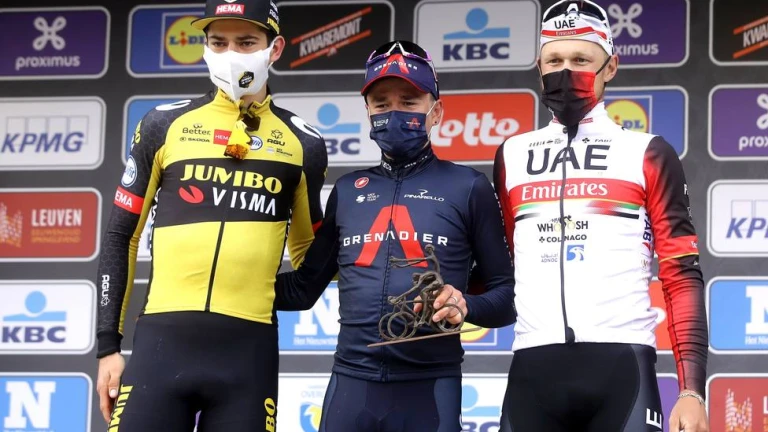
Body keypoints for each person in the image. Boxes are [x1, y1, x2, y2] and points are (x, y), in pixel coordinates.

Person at [94, 0, 328, 430]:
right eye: (218, 43)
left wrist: (257, 287)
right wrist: (108, 346)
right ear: (204, 47)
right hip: (161, 346)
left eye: (246, 42)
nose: (231, 54)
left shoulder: (303, 143)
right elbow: (120, 236)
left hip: (248, 353)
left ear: (274, 49)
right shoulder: (164, 124)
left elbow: (310, 256)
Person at [274, 40, 517, 432]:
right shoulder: (347, 190)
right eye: (381, 103)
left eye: (409, 101)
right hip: (351, 385)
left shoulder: (468, 187)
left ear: (436, 112)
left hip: (429, 389)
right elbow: (303, 290)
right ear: (368, 112)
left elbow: (506, 298)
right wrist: (227, 286)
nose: (394, 112)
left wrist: (466, 305)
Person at [493, 1, 709, 431]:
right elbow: (505, 267)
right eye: (554, 60)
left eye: (581, 60)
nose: (565, 71)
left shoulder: (647, 152)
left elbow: (681, 273)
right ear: (539, 66)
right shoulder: (512, 155)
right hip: (532, 370)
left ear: (610, 66)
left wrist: (691, 391)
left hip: (622, 368)